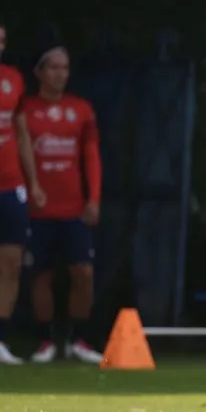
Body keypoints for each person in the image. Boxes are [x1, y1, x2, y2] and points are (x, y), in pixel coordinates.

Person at [22, 46, 104, 364]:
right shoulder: (26, 110)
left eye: (65, 68)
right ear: (39, 72)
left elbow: (91, 157)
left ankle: (77, 339)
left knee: (83, 273)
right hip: (38, 209)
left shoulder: (81, 110)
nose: (60, 74)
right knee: (39, 275)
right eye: (53, 68)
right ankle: (45, 342)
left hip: (74, 209)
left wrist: (93, 199)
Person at [0, 23, 46, 365]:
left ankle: (0, 340)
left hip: (10, 184)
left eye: (2, 40)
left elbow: (21, 132)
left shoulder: (13, 79)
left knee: (11, 264)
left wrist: (33, 182)